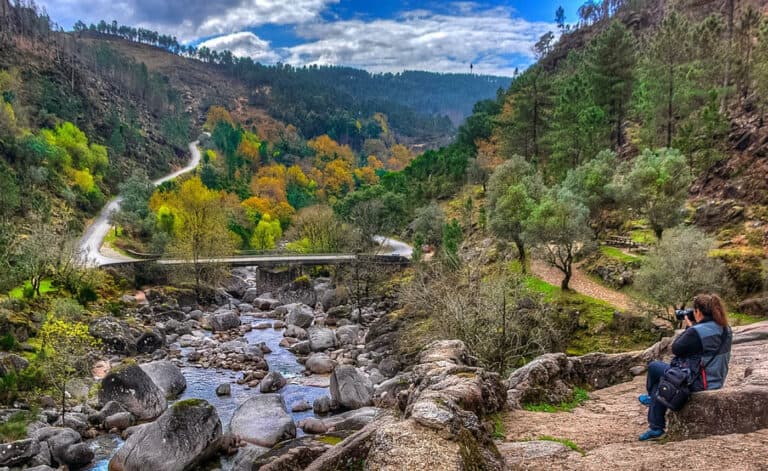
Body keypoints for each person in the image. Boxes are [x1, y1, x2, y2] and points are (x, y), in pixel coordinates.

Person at [638, 293, 732, 441]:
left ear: (698, 312)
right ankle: (655, 427)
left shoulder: (697, 332)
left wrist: (689, 328)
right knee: (664, 378)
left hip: (699, 382)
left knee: (655, 367)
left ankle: (653, 409)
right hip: (716, 379)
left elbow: (676, 348)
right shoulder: (726, 328)